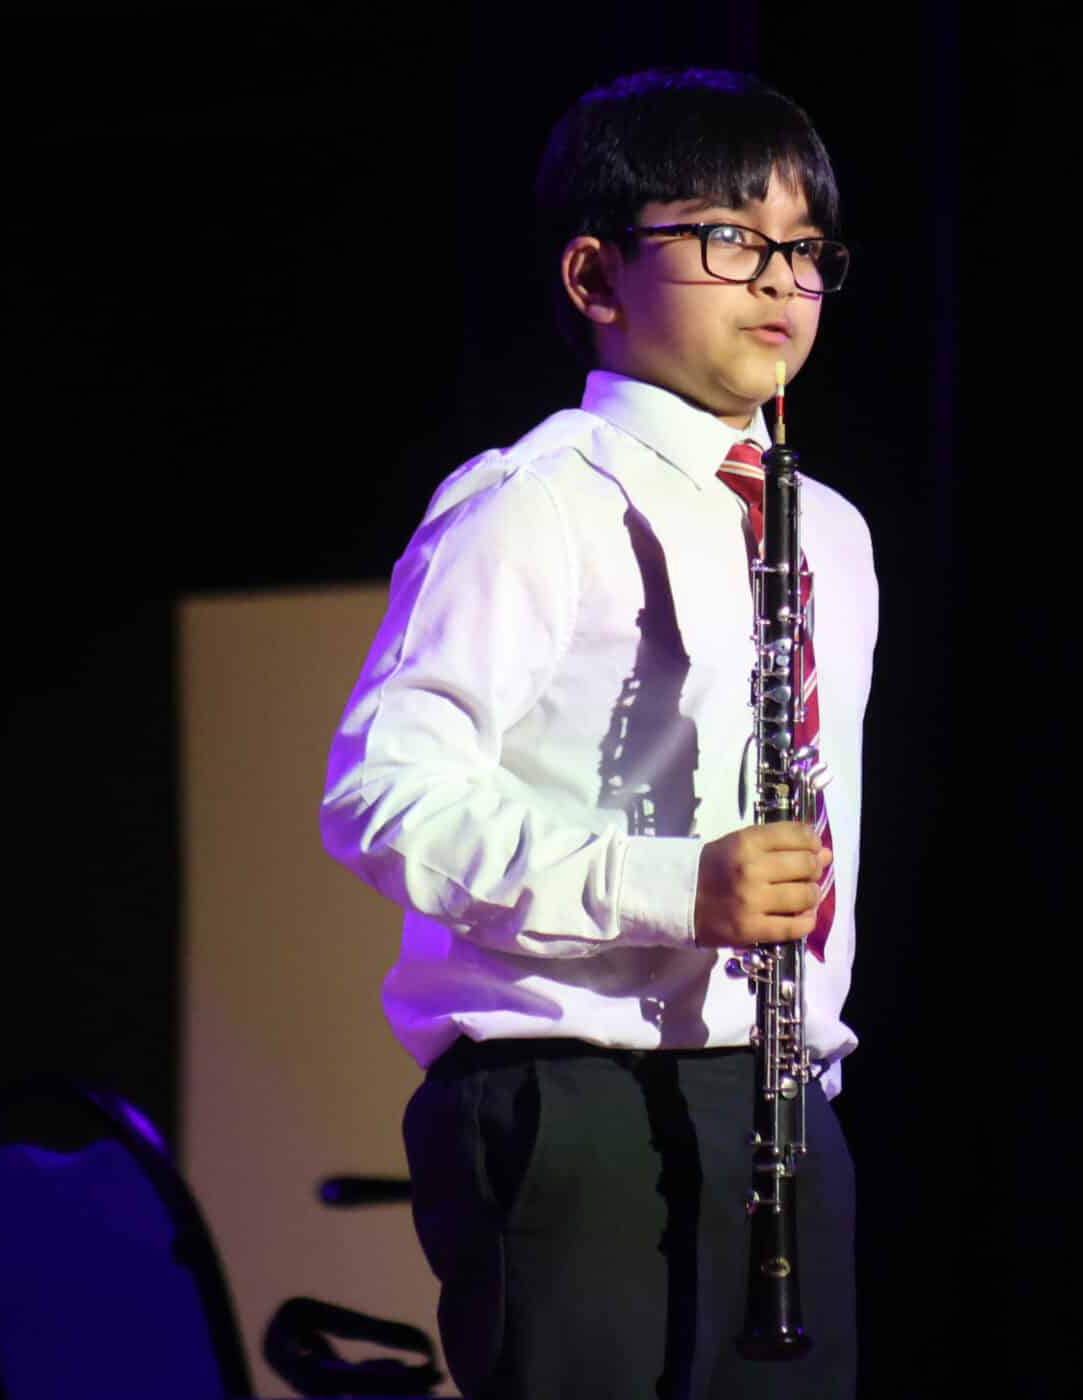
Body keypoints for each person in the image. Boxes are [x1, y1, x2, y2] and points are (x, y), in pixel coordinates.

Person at [318, 68, 873, 1400]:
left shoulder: (833, 531)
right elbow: (385, 794)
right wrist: (678, 887)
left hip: (781, 1102)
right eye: (729, 240)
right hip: (574, 1100)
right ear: (595, 274)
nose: (777, 284)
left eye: (803, 251)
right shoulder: (533, 502)